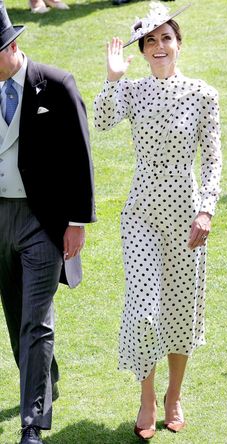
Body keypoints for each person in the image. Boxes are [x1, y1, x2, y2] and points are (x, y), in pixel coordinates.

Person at [94, 1, 221, 440]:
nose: (159, 46)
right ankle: (147, 396)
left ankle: (174, 396)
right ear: (144, 52)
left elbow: (213, 160)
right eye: (151, 41)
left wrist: (206, 207)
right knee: (143, 306)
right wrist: (113, 78)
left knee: (181, 309)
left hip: (188, 215)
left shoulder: (204, 94)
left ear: (179, 44)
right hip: (142, 214)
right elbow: (102, 120)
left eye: (166, 37)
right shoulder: (133, 91)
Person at [0, 2, 96, 443]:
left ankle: (32, 425)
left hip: (43, 222)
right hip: (0, 218)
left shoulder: (56, 85)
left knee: (36, 323)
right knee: (17, 318)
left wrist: (77, 221)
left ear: (12, 46)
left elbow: (81, 156)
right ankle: (46, 379)